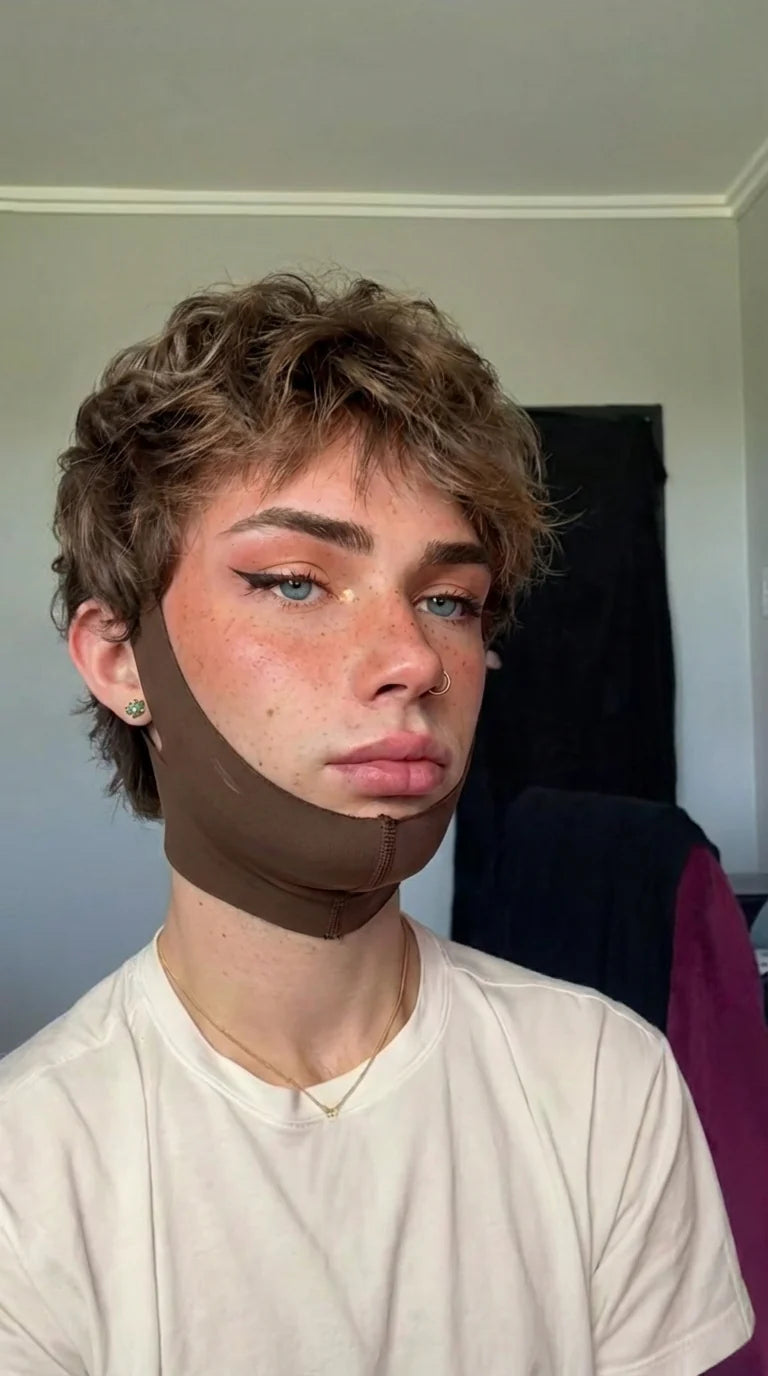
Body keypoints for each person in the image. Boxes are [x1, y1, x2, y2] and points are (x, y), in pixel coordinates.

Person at [0, 274, 754, 1374]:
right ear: (121, 661)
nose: (414, 658)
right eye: (295, 582)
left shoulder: (605, 1084)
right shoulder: (29, 1172)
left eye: (449, 600)